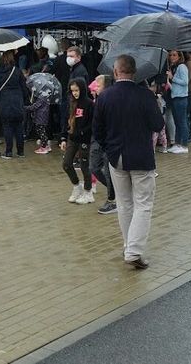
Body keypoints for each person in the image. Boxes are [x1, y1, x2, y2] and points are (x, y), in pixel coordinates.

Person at [93, 54, 165, 269]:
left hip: (116, 157)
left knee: (125, 204)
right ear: (134, 72)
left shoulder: (105, 97)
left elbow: (98, 130)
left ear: (115, 72)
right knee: (143, 204)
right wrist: (156, 103)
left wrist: (110, 148)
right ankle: (133, 251)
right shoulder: (145, 95)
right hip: (141, 155)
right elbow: (157, 125)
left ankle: (129, 246)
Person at [61, 78, 94, 204]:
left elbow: (93, 123)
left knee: (85, 166)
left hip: (84, 139)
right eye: (72, 91)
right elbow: (66, 121)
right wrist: (63, 138)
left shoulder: (89, 104)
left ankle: (88, 192)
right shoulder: (70, 103)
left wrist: (83, 132)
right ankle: (76, 186)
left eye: (77, 90)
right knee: (66, 163)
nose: (75, 93)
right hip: (72, 139)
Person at [88, 75, 117, 214]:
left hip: (108, 140)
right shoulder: (97, 100)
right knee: (94, 167)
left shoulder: (112, 101)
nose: (95, 88)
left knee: (108, 168)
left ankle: (112, 199)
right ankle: (116, 190)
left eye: (98, 86)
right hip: (97, 139)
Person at [0, 50, 29, 158]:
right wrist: (25, 100)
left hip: (4, 102)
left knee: (7, 127)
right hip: (17, 102)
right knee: (18, 127)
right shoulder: (17, 71)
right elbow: (24, 89)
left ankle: (8, 152)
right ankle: (20, 151)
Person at [166, 50, 190, 152]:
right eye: (170, 55)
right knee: (177, 122)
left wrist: (173, 78)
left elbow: (185, 82)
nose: (172, 57)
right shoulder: (174, 67)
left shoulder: (182, 67)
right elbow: (176, 86)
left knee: (182, 121)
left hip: (181, 98)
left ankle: (184, 145)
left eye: (174, 55)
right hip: (175, 96)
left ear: (179, 56)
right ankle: (177, 143)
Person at [26, 79, 53, 154]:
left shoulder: (42, 97)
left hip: (40, 117)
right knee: (43, 131)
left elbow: (35, 106)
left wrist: (26, 108)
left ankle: (44, 147)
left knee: (41, 132)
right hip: (43, 116)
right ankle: (46, 145)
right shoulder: (46, 96)